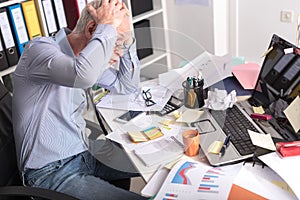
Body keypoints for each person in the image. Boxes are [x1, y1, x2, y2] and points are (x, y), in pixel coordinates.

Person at [12, 0, 147, 199]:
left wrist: (127, 42)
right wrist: (107, 27)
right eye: (116, 43)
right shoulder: (39, 51)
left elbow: (126, 86)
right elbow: (83, 75)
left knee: (160, 159)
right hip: (51, 172)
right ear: (92, 29)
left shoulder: (87, 58)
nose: (118, 55)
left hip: (86, 152)